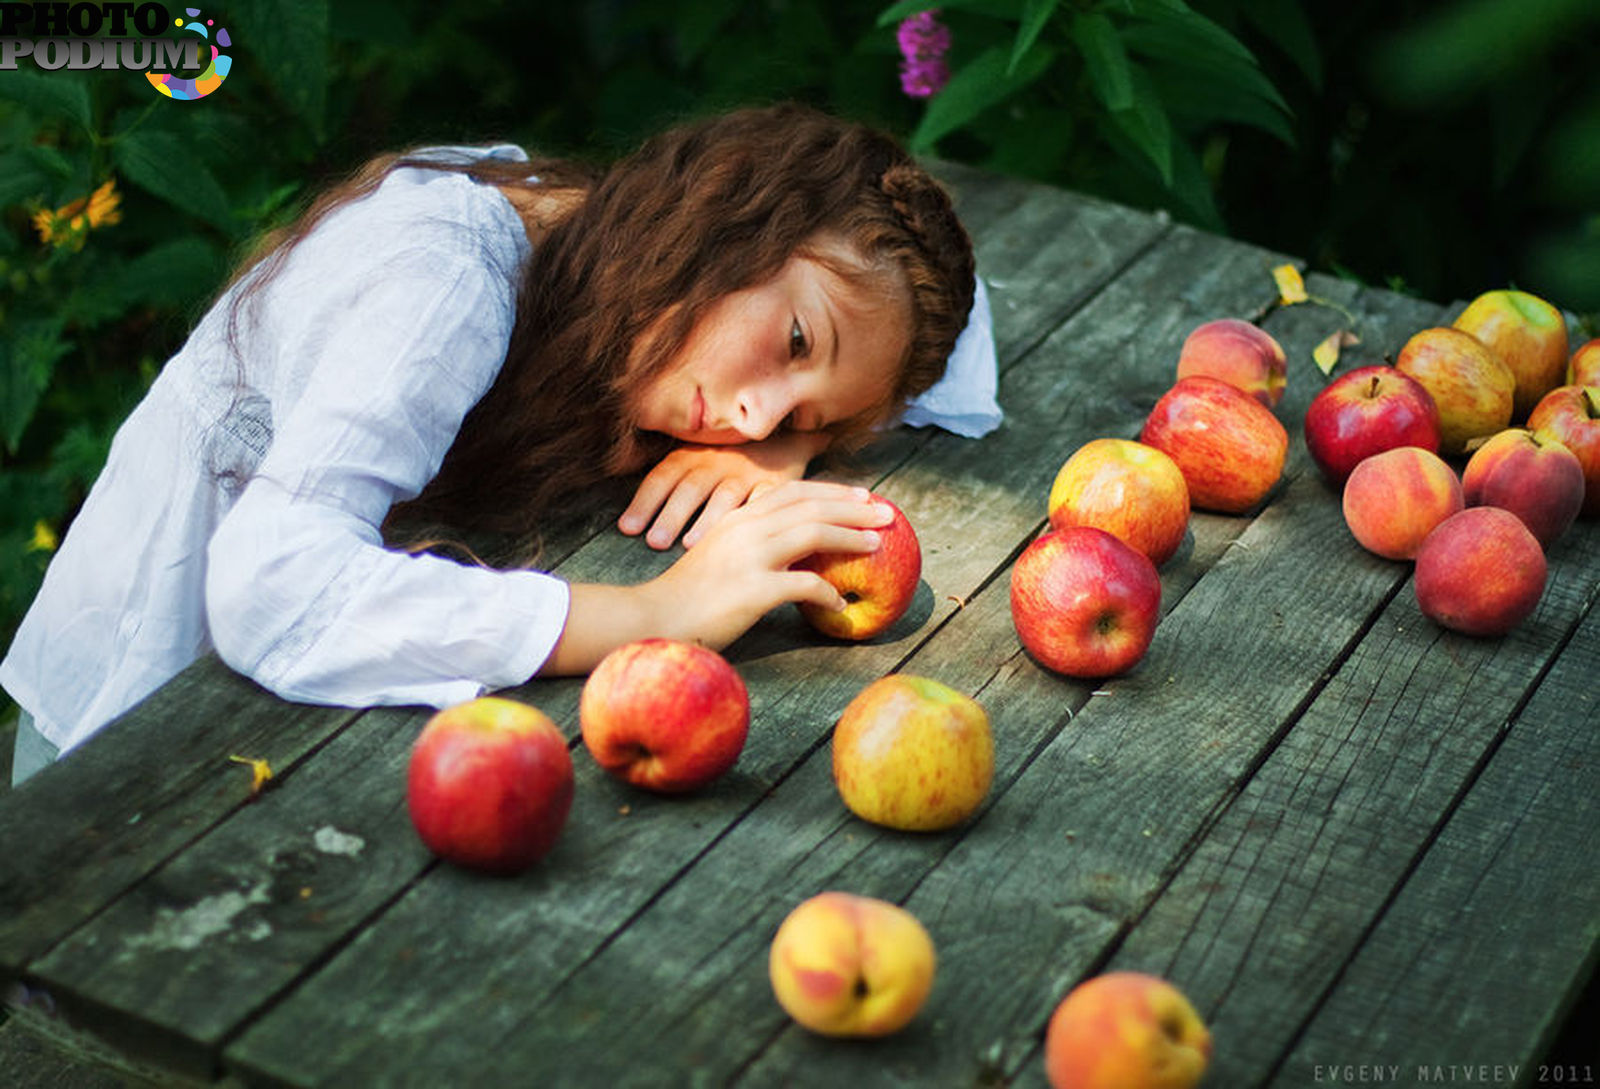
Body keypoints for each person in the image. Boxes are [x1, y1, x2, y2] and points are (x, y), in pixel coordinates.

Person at [1, 103, 1001, 785]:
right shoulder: (443, 283)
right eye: (790, 345)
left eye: (798, 415)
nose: (749, 418)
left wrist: (790, 446)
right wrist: (665, 608)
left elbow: (952, 301)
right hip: (125, 746)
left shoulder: (606, 256)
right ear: (734, 210)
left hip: (291, 751)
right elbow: (272, 592)